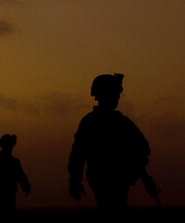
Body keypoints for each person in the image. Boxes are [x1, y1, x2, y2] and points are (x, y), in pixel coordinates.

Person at [68, 73, 160, 212]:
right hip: (107, 177)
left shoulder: (97, 121)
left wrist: (75, 179)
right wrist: (74, 179)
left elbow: (137, 151)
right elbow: (79, 152)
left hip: (111, 176)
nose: (118, 97)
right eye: (115, 93)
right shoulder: (112, 122)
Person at [0, 134, 31, 213]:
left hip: (5, 190)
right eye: (10, 145)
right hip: (3, 190)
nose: (12, 147)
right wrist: (26, 186)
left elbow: (20, 175)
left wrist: (26, 186)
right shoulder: (10, 161)